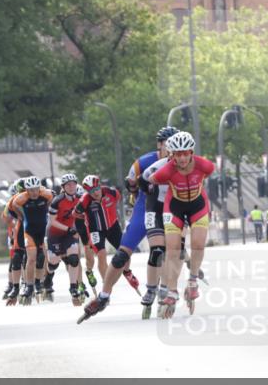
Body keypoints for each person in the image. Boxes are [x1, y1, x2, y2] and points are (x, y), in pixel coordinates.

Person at [77, 126, 178, 323]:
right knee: (121, 256)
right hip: (145, 207)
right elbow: (130, 182)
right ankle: (103, 296)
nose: (172, 149)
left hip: (170, 208)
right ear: (159, 145)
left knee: (165, 251)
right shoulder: (144, 162)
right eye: (168, 144)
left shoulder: (183, 161)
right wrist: (134, 188)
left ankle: (163, 289)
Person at [149, 131, 216, 317]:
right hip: (175, 207)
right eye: (178, 154)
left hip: (198, 205)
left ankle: (193, 281)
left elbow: (211, 170)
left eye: (186, 153)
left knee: (198, 244)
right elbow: (151, 179)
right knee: (172, 249)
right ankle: (171, 290)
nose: (183, 158)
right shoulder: (167, 170)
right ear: (171, 155)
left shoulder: (204, 165)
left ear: (191, 152)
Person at [75, 174, 139, 292]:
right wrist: (84, 232)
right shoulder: (84, 200)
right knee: (101, 255)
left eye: (96, 188)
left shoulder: (111, 192)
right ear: (87, 192)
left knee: (125, 251)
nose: (95, 192)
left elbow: (123, 198)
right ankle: (106, 284)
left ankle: (127, 272)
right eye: (91, 191)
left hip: (112, 227)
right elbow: (76, 214)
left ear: (100, 186)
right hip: (96, 230)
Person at [7, 176, 54, 303]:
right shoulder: (20, 198)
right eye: (31, 190)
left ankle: (39, 283)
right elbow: (13, 206)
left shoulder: (46, 195)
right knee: (31, 259)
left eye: (36, 189)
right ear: (26, 190)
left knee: (43, 257)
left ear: (39, 188)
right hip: (29, 231)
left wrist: (47, 210)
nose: (34, 192)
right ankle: (29, 286)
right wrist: (20, 216)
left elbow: (51, 202)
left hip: (43, 231)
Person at [48, 173, 88, 306]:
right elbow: (52, 221)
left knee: (74, 259)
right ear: (63, 187)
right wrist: (68, 229)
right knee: (53, 262)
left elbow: (85, 216)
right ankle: (48, 275)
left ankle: (73, 287)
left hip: (70, 233)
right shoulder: (57, 201)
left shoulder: (81, 199)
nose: (71, 187)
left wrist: (80, 230)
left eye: (73, 184)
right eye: (68, 185)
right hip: (55, 233)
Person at [2, 178, 27, 305]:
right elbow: (6, 218)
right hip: (15, 233)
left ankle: (27, 281)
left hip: (28, 232)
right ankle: (11, 283)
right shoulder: (11, 203)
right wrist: (13, 227)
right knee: (14, 259)